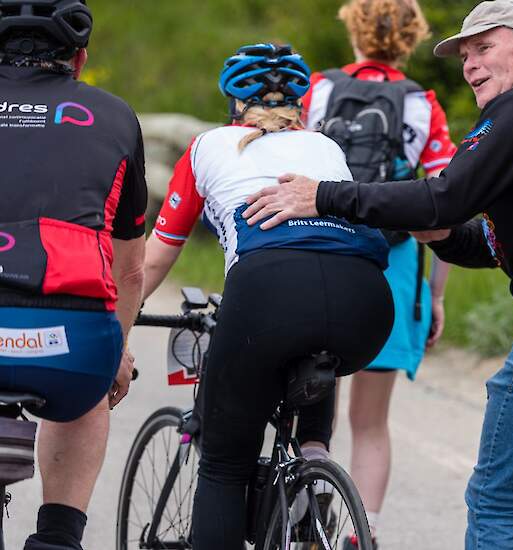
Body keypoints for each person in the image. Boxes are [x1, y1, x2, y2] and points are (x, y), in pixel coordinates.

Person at [243, 1, 513, 548]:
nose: (470, 65)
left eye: (484, 48)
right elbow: (495, 241)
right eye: (464, 55)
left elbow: (447, 195)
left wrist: (323, 196)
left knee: (498, 503)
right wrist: (445, 235)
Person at [139, 43, 394, 550]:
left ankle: (293, 488)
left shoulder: (206, 146)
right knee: (320, 350)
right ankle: (314, 467)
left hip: (268, 292)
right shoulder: (327, 148)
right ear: (300, 105)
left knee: (225, 463)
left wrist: (120, 316)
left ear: (235, 104)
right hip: (365, 300)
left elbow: (155, 258)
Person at [299, 1, 456, 546]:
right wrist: (434, 298)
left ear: (353, 27)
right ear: (412, 36)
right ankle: (360, 534)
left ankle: (302, 507)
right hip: (390, 271)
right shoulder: (422, 105)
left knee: (310, 407)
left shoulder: (314, 89)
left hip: (314, 260)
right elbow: (444, 204)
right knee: (371, 424)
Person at [0, 1, 144, 548]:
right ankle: (59, 537)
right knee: (87, 392)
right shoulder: (113, 115)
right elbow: (128, 271)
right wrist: (118, 353)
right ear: (79, 59)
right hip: (69, 346)